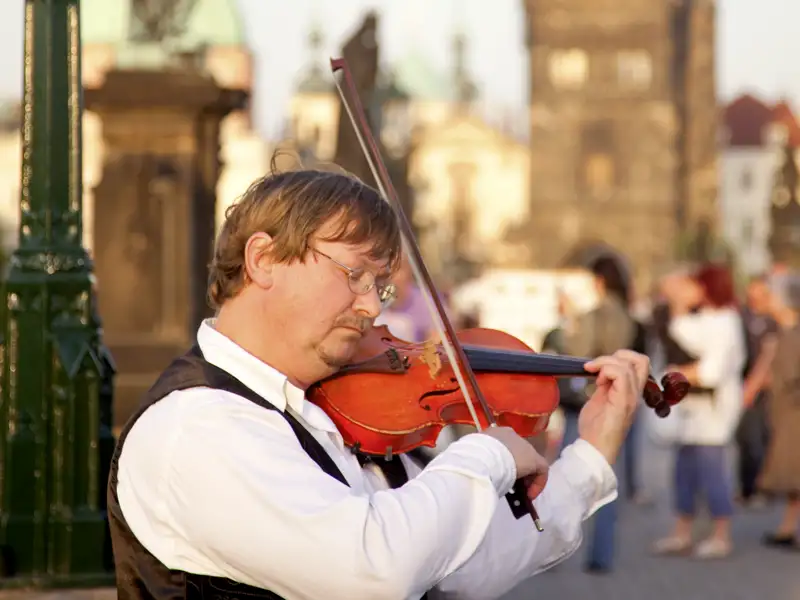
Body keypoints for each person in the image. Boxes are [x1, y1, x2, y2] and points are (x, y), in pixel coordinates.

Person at [108, 167, 650, 600]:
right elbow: (374, 571)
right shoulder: (196, 427)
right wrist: (487, 454)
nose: (370, 307)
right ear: (264, 259)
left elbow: (462, 569)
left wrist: (588, 460)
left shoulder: (332, 414)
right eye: (354, 274)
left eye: (381, 287)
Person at [652, 264, 745, 559]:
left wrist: (680, 372)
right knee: (684, 475)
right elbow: (680, 332)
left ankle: (721, 535)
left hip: (714, 413)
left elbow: (712, 371)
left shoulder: (726, 321)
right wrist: (677, 301)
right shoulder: (704, 318)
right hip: (692, 411)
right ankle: (682, 532)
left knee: (713, 475)